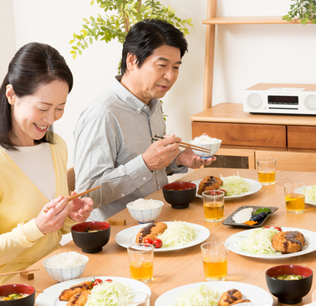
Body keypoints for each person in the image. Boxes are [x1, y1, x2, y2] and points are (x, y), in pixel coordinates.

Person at [0, 42, 93, 283]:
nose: (50, 119)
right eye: (43, 108)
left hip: (58, 271)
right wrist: (36, 227)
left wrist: (68, 216)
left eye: (60, 108)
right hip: (14, 289)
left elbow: (53, 234)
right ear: (11, 95)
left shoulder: (57, 146)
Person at [73, 19, 214, 221]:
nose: (170, 76)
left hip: (160, 219)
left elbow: (152, 167)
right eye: (162, 65)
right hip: (120, 232)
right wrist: (145, 163)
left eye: (175, 67)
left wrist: (179, 159)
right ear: (131, 61)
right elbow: (86, 195)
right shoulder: (102, 115)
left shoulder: (153, 104)